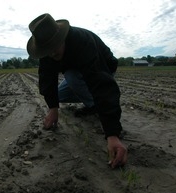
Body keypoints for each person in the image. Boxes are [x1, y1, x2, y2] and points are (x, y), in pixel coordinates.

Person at [26, 13, 127, 168]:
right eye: (47, 50)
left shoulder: (82, 41)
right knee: (59, 94)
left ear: (62, 37)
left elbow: (102, 85)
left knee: (72, 76)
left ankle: (95, 107)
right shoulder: (47, 51)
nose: (52, 53)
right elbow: (47, 78)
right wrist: (53, 108)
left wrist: (112, 134)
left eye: (54, 46)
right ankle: (91, 102)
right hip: (76, 71)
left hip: (103, 68)